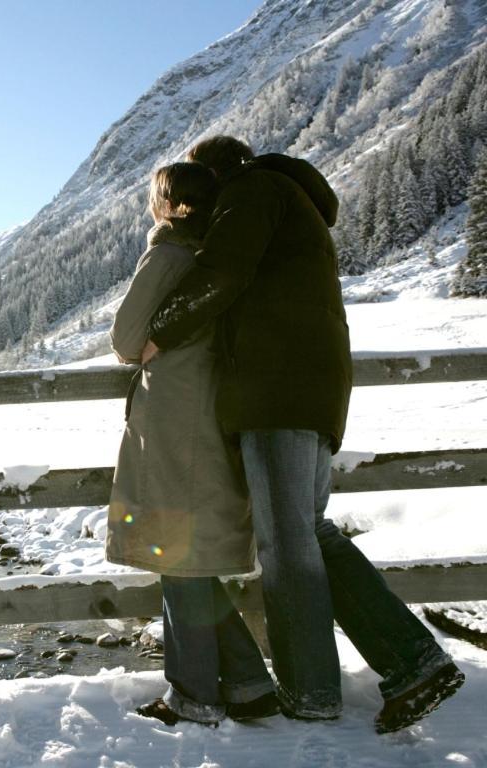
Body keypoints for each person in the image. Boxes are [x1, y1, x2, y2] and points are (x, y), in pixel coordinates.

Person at [143, 136, 464, 733]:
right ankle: (413, 660)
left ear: (215, 174)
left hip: (275, 387)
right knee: (310, 532)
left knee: (287, 544)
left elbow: (225, 269)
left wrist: (159, 330)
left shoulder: (253, 190)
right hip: (312, 386)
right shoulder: (294, 198)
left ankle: (316, 690)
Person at [107, 161, 278, 727]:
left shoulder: (169, 256)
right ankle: (250, 684)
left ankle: (195, 697)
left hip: (174, 419)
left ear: (170, 203)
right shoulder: (217, 260)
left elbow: (126, 340)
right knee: (192, 562)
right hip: (213, 416)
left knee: (174, 554)